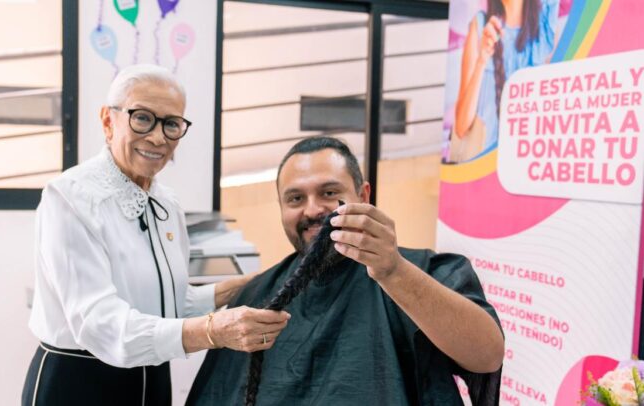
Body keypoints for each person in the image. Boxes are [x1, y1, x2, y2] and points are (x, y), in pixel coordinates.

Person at [21, 64, 290, 406]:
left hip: (153, 381)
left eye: (171, 124)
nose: (158, 137)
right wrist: (213, 331)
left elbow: (170, 303)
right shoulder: (70, 198)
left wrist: (246, 287)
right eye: (143, 118)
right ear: (108, 121)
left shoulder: (166, 203)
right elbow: (102, 325)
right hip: (79, 384)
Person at [187, 137, 504, 405]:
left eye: (328, 193)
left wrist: (393, 272)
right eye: (296, 198)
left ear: (363, 196)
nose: (313, 209)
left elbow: (486, 355)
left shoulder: (425, 272)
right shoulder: (256, 296)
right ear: (281, 208)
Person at [452, 0, 559, 162]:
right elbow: (461, 127)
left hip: (529, 162)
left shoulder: (544, 26)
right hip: (485, 165)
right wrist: (482, 60)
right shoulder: (480, 25)